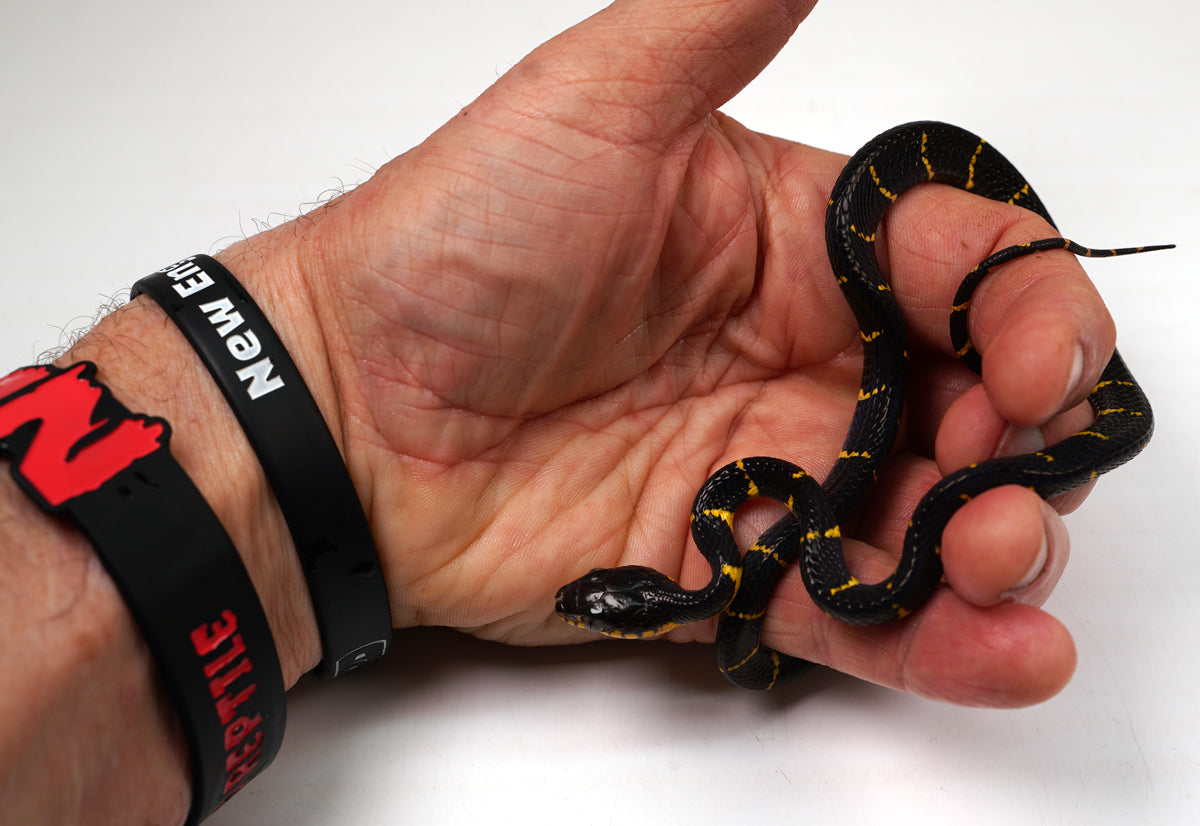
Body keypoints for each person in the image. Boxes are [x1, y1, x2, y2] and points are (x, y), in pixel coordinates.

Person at [1, 0, 1119, 821]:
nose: (592, 606)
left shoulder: (760, 527)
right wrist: (329, 366)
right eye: (605, 607)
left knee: (992, 450)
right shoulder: (757, 524)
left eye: (605, 607)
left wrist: (311, 392)